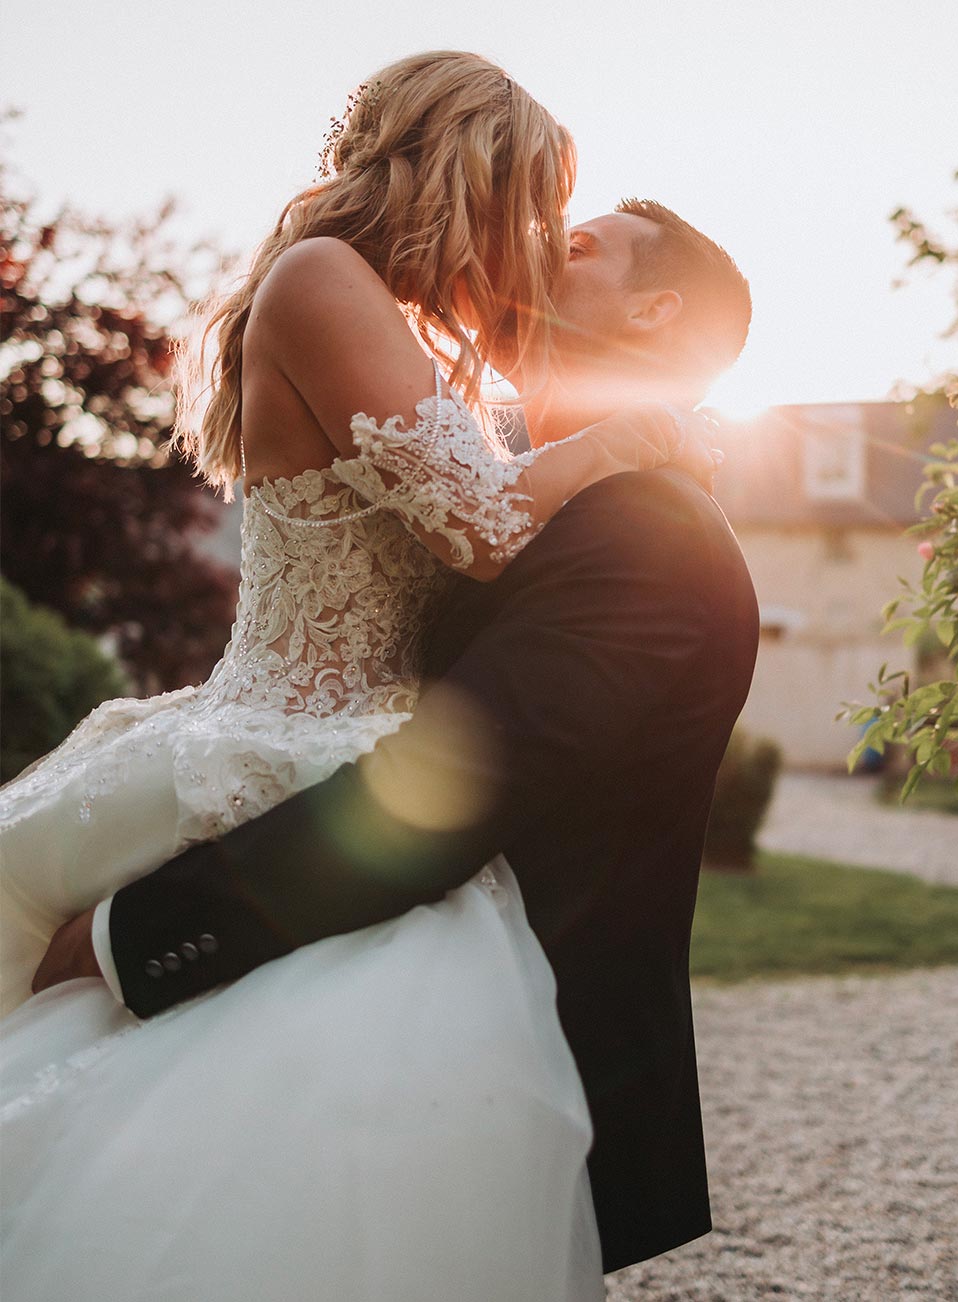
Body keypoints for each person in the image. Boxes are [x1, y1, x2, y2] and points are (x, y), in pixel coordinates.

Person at [0, 52, 727, 1302]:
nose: (538, 244)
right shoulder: (329, 285)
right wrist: (616, 437)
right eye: (538, 204)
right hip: (301, 741)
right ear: (470, 167)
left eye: (573, 232)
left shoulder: (627, 521)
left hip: (357, 770)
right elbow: (481, 526)